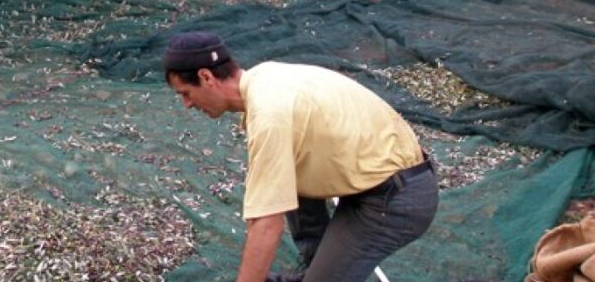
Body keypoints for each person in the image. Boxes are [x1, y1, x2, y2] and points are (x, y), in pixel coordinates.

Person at [162, 32, 438, 282]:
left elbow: (266, 224)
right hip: (373, 179)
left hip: (395, 200)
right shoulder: (266, 76)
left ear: (207, 77)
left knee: (275, 192)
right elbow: (271, 195)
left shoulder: (270, 114)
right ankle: (316, 267)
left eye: (186, 93)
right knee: (282, 177)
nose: (187, 104)